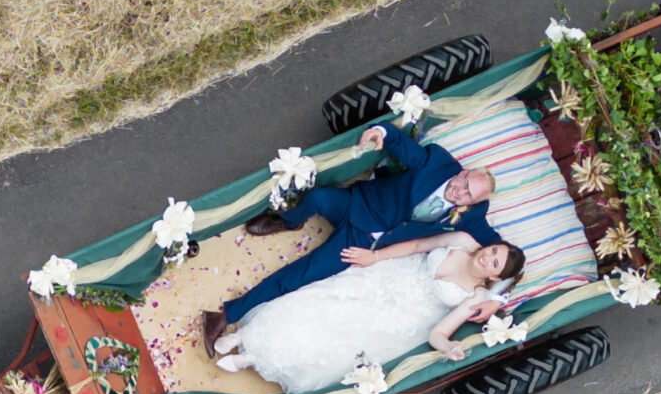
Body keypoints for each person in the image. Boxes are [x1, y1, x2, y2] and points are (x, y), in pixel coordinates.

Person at [205, 123, 505, 347]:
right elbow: (401, 143)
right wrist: (382, 131)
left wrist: (495, 299)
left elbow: (508, 255)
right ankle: (288, 221)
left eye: (468, 195)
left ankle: (224, 315)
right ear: (463, 172)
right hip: (357, 202)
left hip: (365, 241)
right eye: (465, 182)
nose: (460, 191)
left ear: (474, 203)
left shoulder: (472, 217)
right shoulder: (438, 162)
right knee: (319, 198)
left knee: (301, 275)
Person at [212, 236, 525, 394]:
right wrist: (375, 256)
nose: (488, 258)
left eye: (495, 264)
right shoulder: (463, 240)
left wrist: (450, 348)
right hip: (386, 278)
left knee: (334, 336)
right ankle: (242, 336)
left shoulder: (476, 297)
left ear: (494, 277)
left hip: (401, 316)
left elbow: (439, 333)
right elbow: (416, 244)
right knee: (319, 300)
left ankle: (251, 359)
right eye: (494, 251)